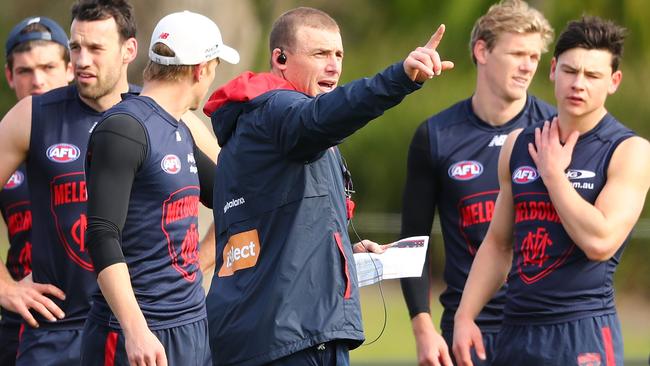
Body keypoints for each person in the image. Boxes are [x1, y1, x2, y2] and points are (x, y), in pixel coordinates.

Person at [202, 6, 454, 366]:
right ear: (281, 58)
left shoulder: (260, 123)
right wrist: (400, 77)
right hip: (289, 338)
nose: (334, 65)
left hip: (272, 329)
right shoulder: (279, 111)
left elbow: (278, 237)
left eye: (338, 54)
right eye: (320, 54)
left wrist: (341, 255)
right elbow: (324, 116)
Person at [453, 16, 650, 366]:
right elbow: (499, 243)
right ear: (553, 69)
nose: (579, 84)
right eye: (571, 71)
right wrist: (465, 315)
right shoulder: (518, 143)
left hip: (582, 330)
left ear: (614, 81)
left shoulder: (630, 150)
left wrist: (553, 175)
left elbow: (600, 242)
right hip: (515, 330)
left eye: (593, 76)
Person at [399, 1, 554, 365]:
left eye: (534, 56)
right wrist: (422, 327)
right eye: (517, 53)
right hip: (466, 331)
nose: (528, 65)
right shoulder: (436, 135)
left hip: (542, 325)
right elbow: (412, 242)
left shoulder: (555, 130)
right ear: (481, 51)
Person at [80, 10, 238, 366]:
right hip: (136, 334)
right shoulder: (124, 127)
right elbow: (103, 235)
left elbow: (236, 199)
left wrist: (198, 264)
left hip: (190, 324)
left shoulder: (180, 128)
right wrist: (135, 329)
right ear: (202, 70)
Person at [0, 16, 73, 366]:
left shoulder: (111, 129)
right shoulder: (5, 142)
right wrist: (6, 288)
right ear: (9, 76)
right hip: (23, 318)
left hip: (99, 316)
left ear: (71, 68)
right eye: (25, 71)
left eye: (48, 66)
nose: (38, 81)